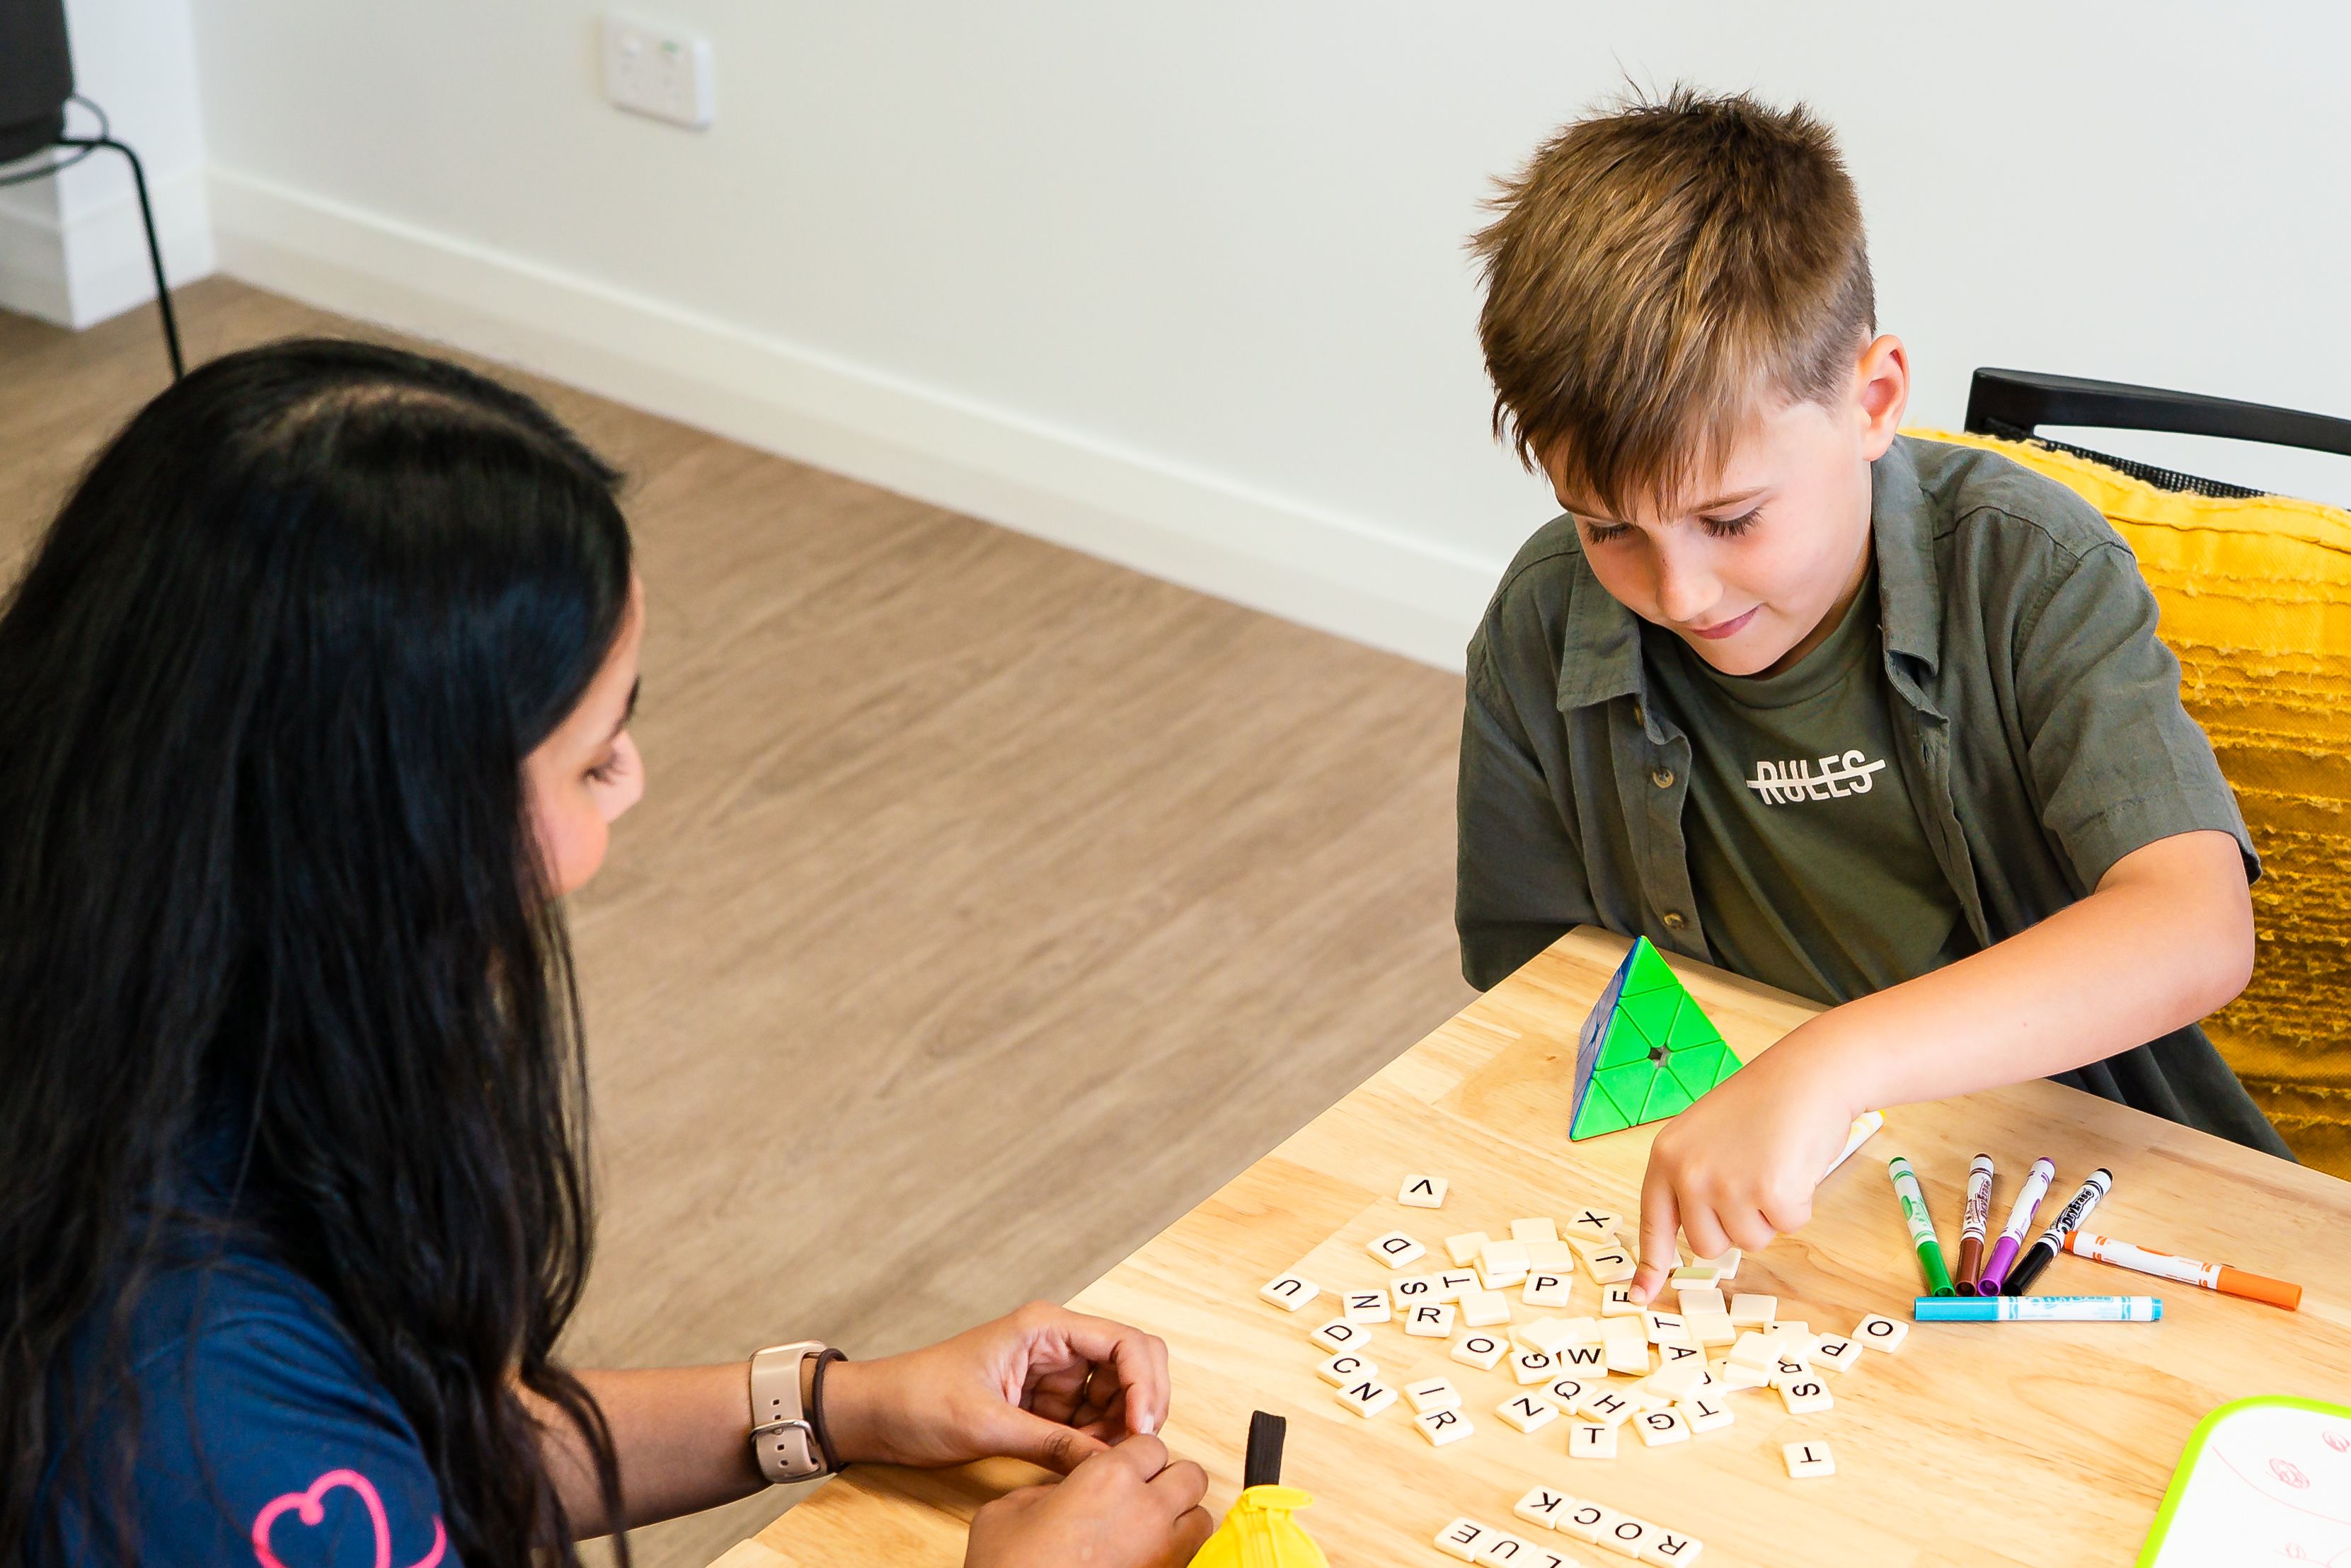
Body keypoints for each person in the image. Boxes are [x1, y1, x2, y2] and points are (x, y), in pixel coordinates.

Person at [0, 340, 1214, 1567]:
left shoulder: (132, 1020)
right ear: (391, 827)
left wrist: (835, 1404)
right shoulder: (191, 1425)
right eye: (591, 757)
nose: (631, 785)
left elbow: (403, 1461)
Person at [1454, 88, 2291, 1303]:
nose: (1677, 591)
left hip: (2055, 1192)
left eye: (1731, 519)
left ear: (1875, 399)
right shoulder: (1542, 622)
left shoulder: (2026, 565)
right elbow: (1535, 979)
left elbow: (2194, 927)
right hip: (1766, 1206)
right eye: (1606, 528)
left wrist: (1831, 1061)